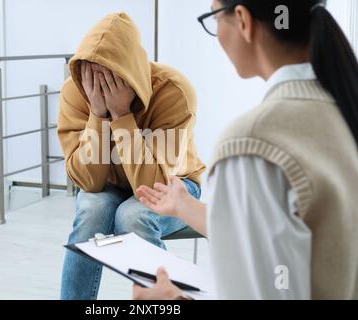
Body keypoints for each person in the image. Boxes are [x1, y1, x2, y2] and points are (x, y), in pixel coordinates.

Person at [135, 0, 358, 300]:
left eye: (214, 16)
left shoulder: (251, 143)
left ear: (242, 19)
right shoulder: (344, 109)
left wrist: (171, 302)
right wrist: (186, 206)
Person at [57, 12, 206, 300]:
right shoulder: (75, 93)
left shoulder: (173, 90)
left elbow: (155, 186)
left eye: (111, 76)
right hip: (109, 184)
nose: (98, 83)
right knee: (91, 210)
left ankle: (167, 302)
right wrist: (99, 115)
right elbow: (89, 182)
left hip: (175, 185)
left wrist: (122, 115)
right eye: (91, 74)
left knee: (133, 215)